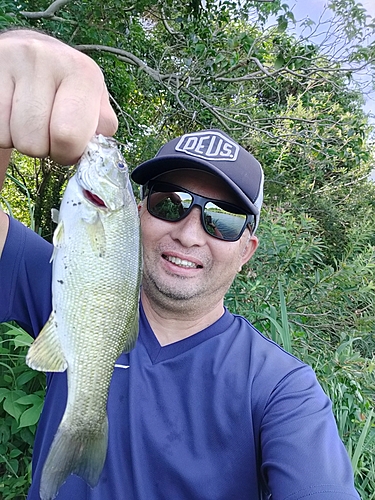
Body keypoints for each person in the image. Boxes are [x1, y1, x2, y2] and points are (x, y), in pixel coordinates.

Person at [0, 30, 360, 500]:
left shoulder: (281, 390)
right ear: (136, 213)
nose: (189, 233)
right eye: (171, 204)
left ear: (246, 249)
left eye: (222, 220)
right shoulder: (67, 282)